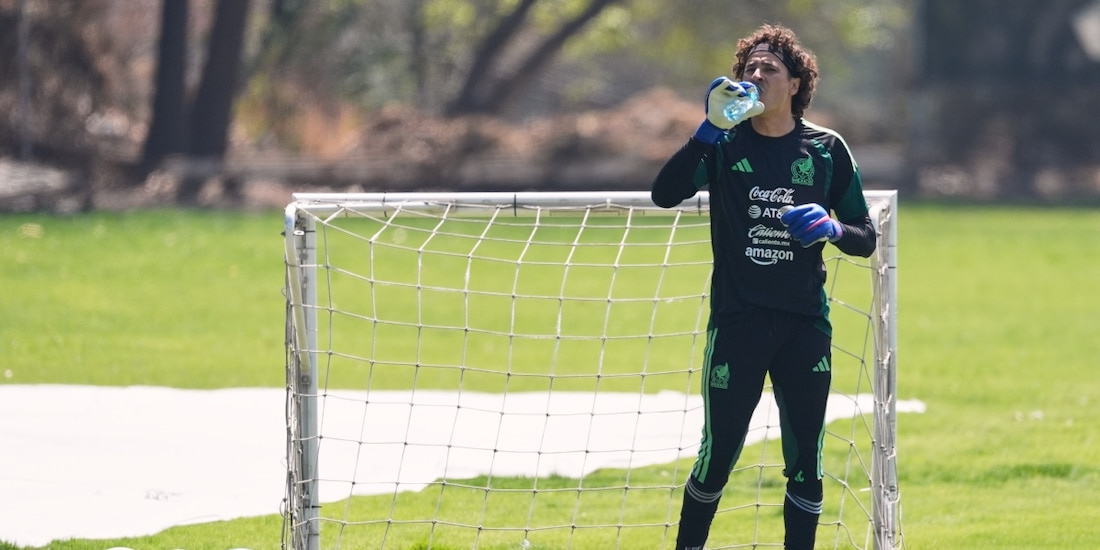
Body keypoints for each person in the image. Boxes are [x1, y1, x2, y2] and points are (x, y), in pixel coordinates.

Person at [650, 24, 877, 550]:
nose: (754, 75)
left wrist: (832, 227)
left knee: (806, 461)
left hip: (803, 325)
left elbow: (865, 237)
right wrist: (706, 129)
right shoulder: (724, 144)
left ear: (795, 83)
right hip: (739, 322)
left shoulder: (826, 149)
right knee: (718, 453)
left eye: (767, 68)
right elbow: (664, 194)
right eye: (747, 68)